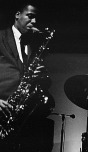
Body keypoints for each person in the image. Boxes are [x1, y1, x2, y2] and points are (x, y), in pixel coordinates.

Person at [0, 2, 55, 152]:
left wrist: (39, 75)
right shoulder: (1, 37)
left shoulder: (30, 44)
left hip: (15, 117)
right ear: (17, 14)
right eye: (30, 17)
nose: (34, 22)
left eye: (36, 18)